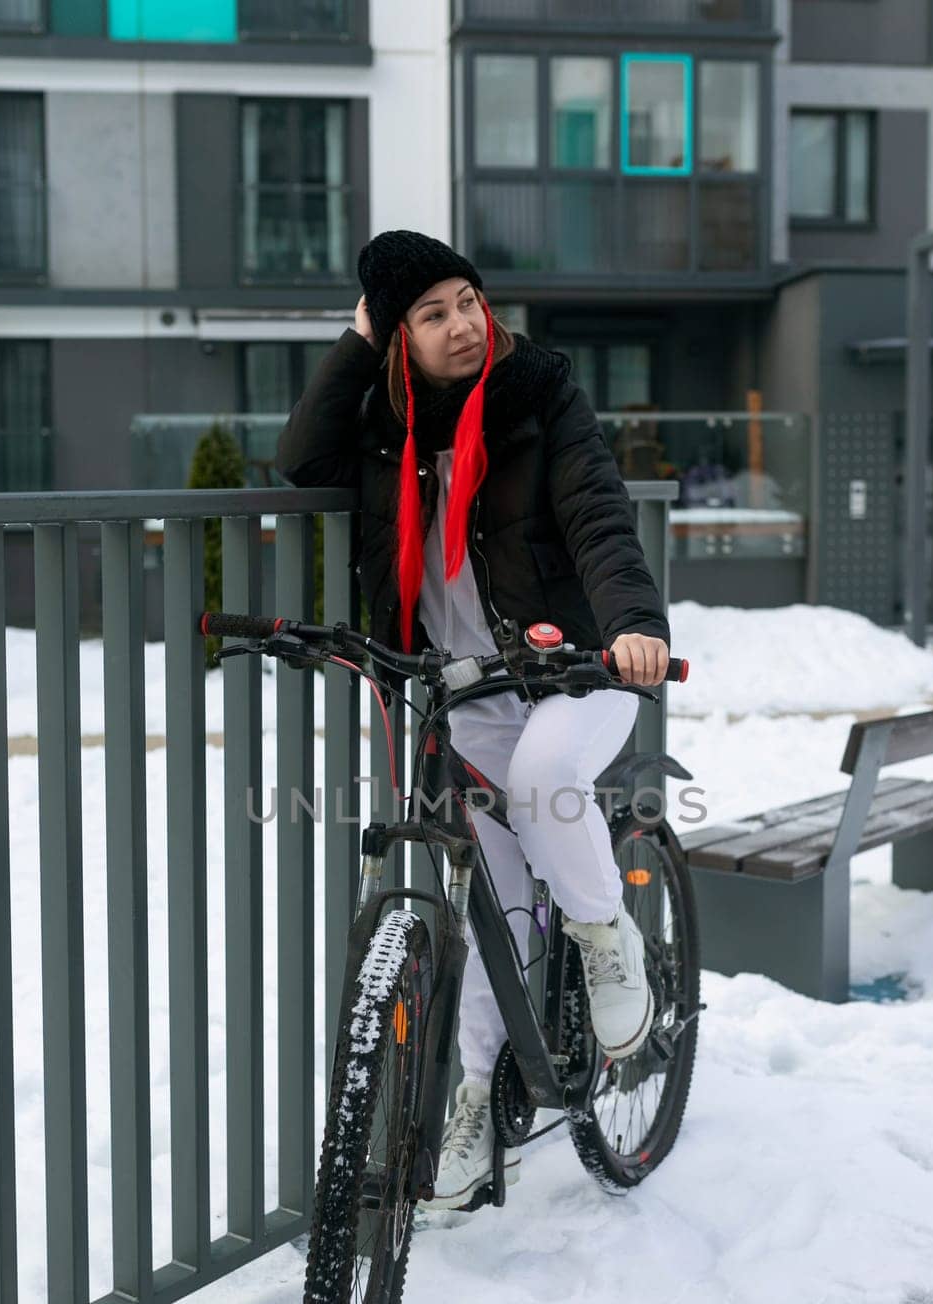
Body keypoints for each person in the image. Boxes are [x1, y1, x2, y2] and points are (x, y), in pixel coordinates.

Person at [276, 230, 671, 1210]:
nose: (459, 326)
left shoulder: (537, 393)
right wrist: (358, 336)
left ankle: (603, 936)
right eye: (430, 313)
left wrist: (630, 623)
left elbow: (593, 511)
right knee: (488, 896)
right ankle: (471, 1097)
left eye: (466, 302)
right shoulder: (381, 425)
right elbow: (298, 457)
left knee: (544, 780)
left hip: (576, 669)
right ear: (397, 337)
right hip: (469, 692)